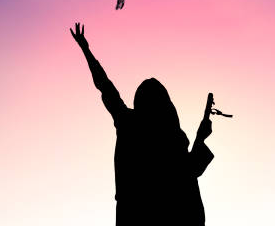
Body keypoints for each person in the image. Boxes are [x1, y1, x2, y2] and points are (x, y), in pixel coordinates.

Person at [70, 23, 214, 225]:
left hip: (136, 213)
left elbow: (105, 86)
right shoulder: (167, 134)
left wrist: (86, 50)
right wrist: (201, 138)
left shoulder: (130, 122)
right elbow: (187, 174)